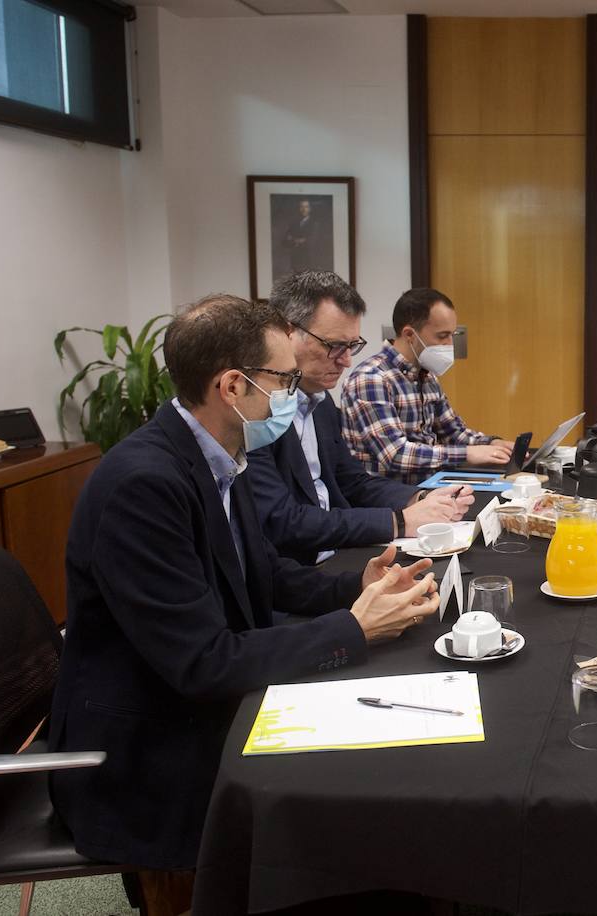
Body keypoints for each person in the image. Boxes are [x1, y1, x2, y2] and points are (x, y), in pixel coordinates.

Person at [49, 294, 438, 900]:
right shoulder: (144, 485)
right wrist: (353, 630)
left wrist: (355, 589)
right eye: (283, 379)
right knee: (363, 806)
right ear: (232, 387)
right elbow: (203, 663)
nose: (293, 393)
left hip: (192, 703)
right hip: (149, 753)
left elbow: (266, 574)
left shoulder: (218, 454)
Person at [248, 271, 475, 564]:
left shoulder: (320, 401)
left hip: (339, 549)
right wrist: (400, 521)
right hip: (296, 570)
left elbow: (353, 482)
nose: (346, 361)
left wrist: (419, 500)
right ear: (287, 334)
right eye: (333, 346)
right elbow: (284, 521)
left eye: (352, 346)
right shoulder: (256, 411)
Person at [342, 287, 516, 482]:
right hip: (387, 498)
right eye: (442, 336)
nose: (450, 344)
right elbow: (396, 454)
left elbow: (453, 432)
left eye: (452, 335)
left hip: (430, 486)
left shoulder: (427, 375)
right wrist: (467, 453)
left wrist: (493, 443)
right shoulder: (372, 378)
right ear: (409, 334)